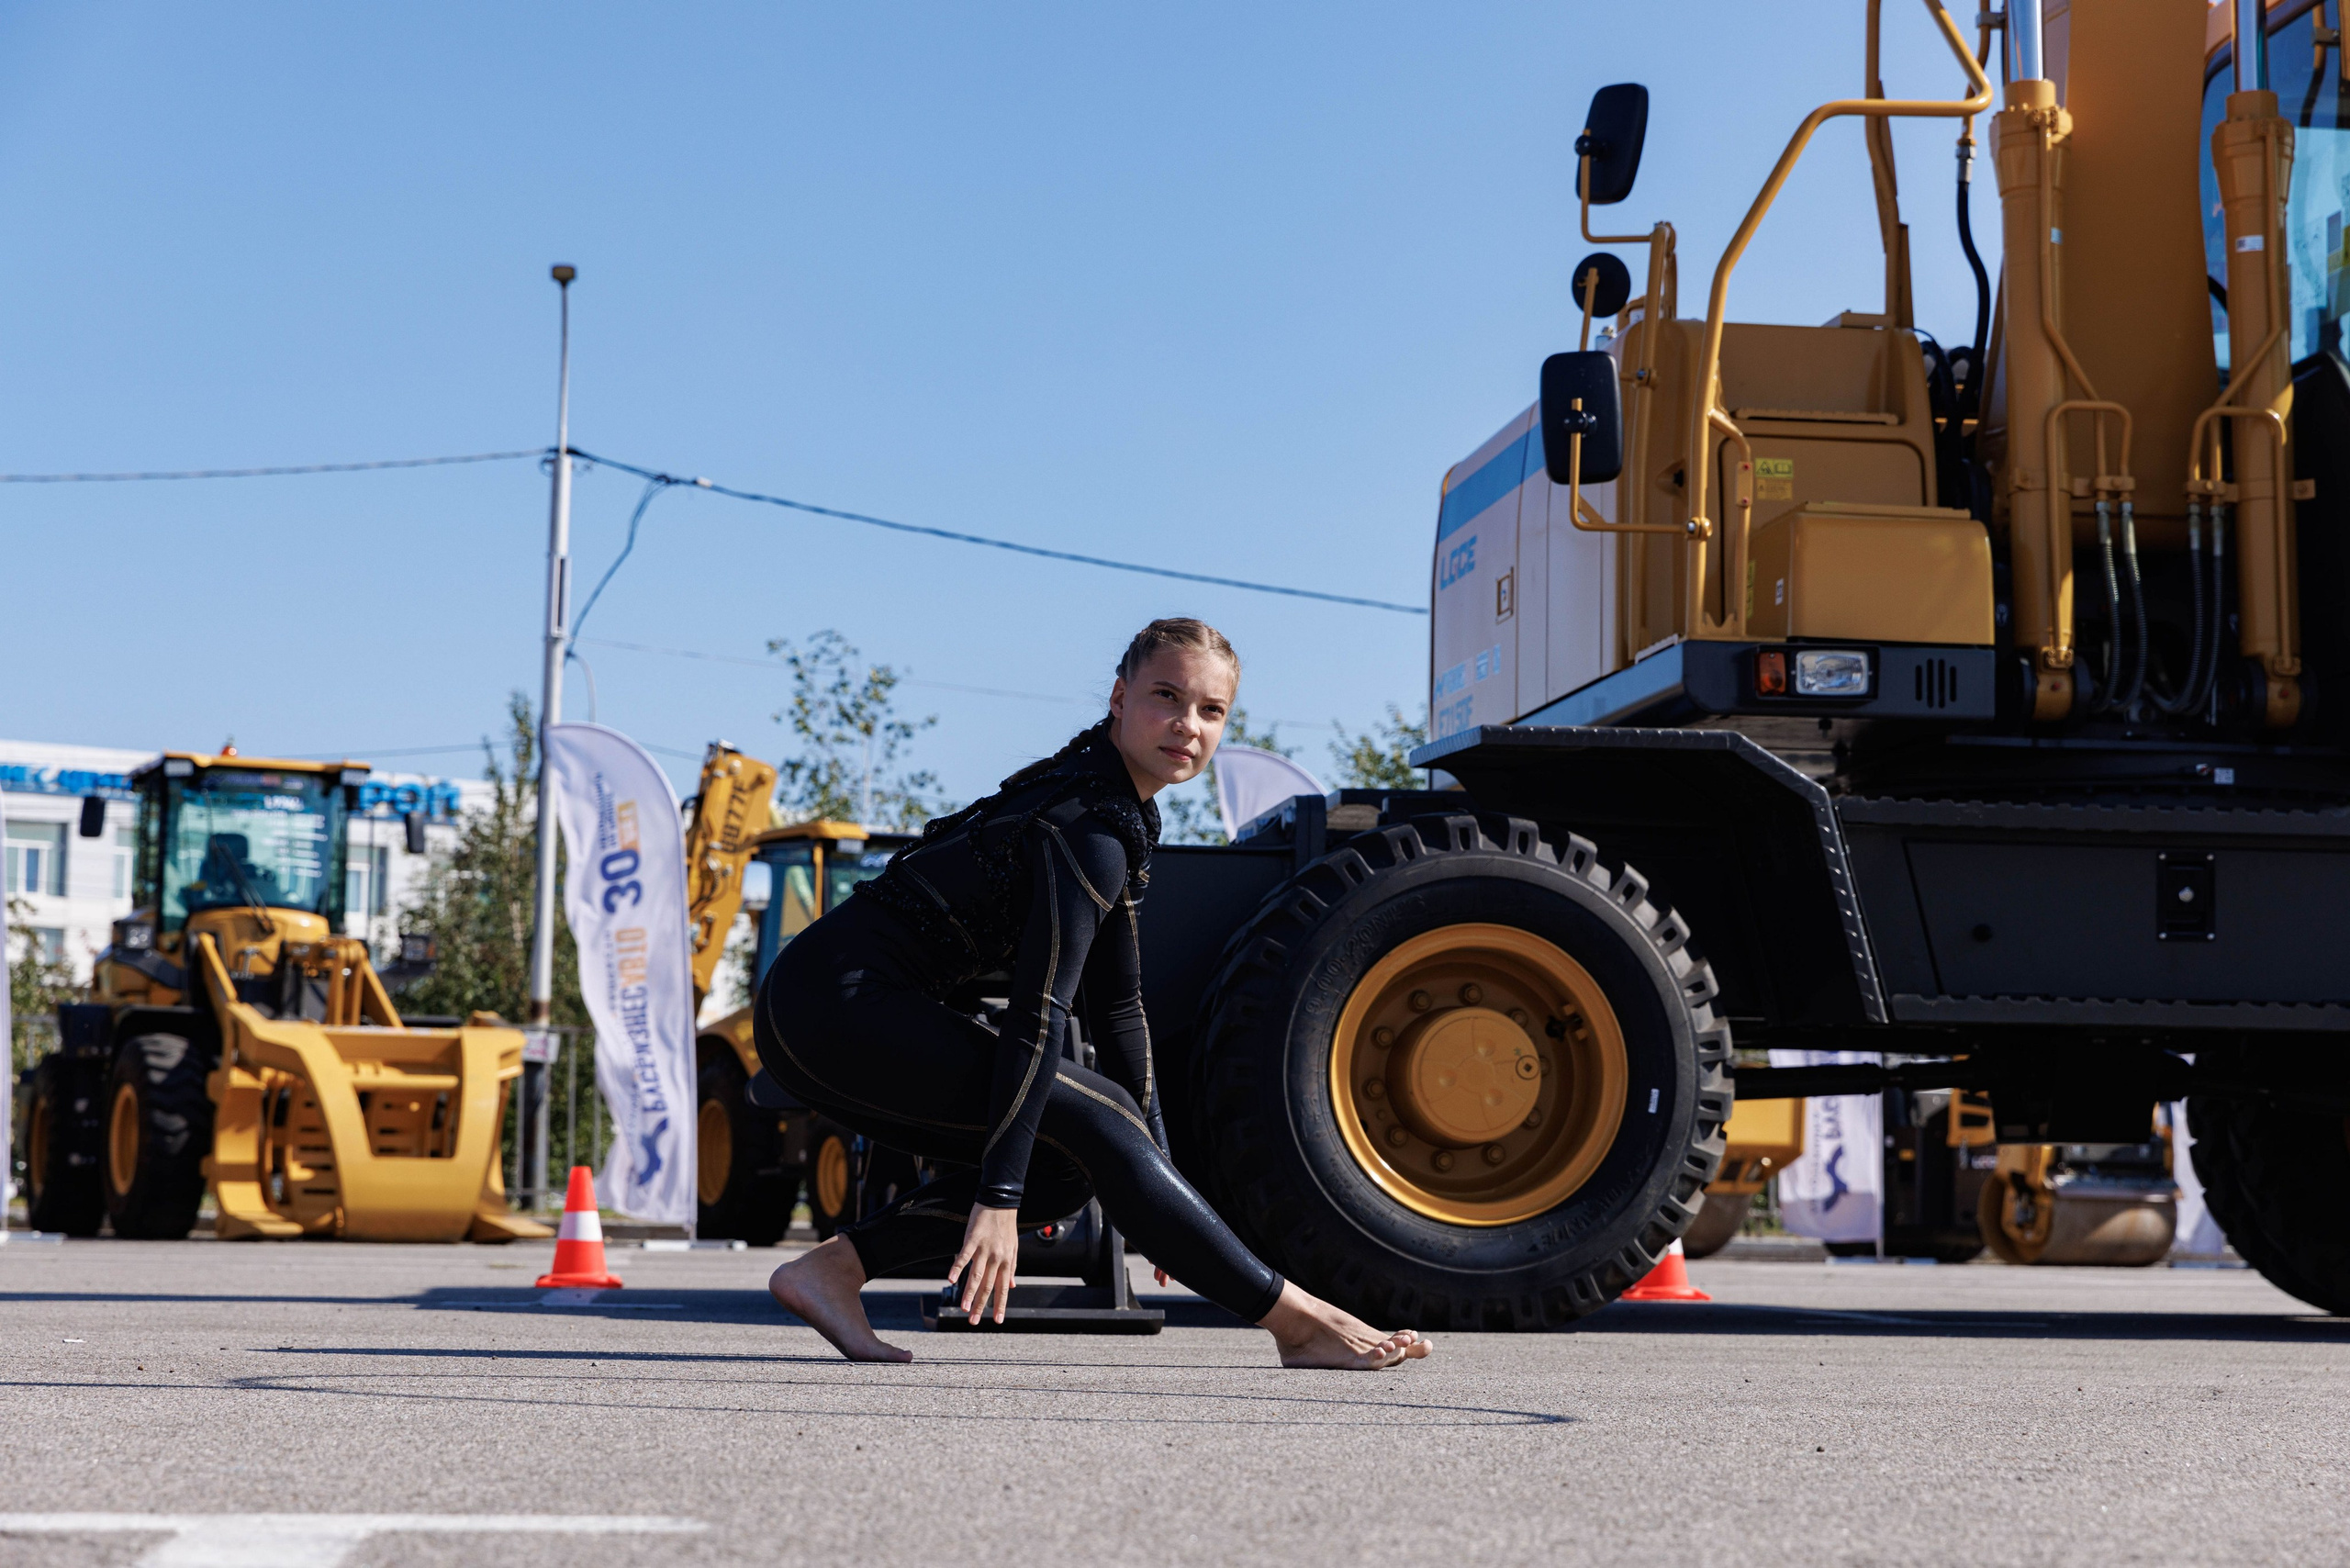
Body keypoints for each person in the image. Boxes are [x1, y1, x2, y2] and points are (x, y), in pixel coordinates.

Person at [759, 617, 1432, 1371]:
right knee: (1088, 1130)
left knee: (1075, 1162)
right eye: (1166, 697)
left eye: (1211, 712)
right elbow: (1040, 1011)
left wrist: (1160, 1187)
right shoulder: (1090, 828)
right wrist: (998, 1198)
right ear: (1119, 697)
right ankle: (1298, 1323)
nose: (1188, 725)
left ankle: (833, 1271)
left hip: (829, 1010)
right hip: (833, 1009)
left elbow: (1117, 1008)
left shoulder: (1115, 810)